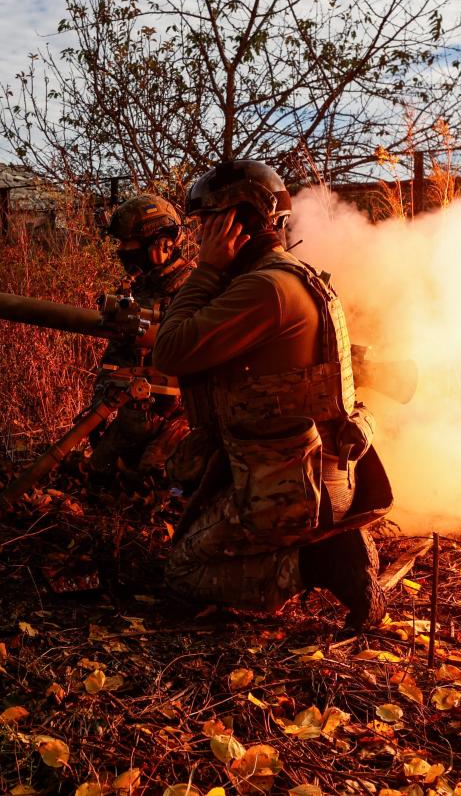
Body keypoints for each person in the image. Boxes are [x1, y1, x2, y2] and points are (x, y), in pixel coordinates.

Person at [152, 160, 393, 630]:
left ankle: (324, 563)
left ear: (234, 224)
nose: (199, 238)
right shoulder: (289, 276)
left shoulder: (265, 289)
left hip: (292, 490)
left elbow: (171, 350)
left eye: (206, 225)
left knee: (183, 571)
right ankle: (325, 544)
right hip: (309, 477)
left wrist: (206, 271)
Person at [88, 195, 194, 478]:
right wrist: (99, 404)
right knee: (97, 471)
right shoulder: (140, 287)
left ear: (162, 245)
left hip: (180, 420)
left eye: (129, 244)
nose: (122, 251)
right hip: (137, 414)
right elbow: (116, 358)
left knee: (152, 477)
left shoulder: (194, 290)